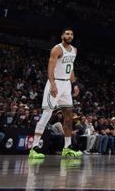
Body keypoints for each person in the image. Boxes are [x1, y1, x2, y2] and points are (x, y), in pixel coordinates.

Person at [28, 28, 82, 159]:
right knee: (47, 114)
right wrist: (52, 84)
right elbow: (50, 68)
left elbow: (71, 68)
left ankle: (67, 147)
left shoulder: (74, 50)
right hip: (56, 83)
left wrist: (74, 84)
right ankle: (34, 148)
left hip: (66, 85)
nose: (69, 36)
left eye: (71, 34)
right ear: (62, 35)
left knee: (69, 116)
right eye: (67, 34)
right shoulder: (56, 49)